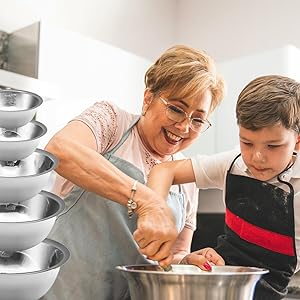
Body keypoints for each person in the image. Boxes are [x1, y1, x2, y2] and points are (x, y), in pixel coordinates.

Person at [42, 45, 226, 300]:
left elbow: (172, 256)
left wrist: (189, 261)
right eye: (176, 109)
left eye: (197, 119)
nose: (184, 126)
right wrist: (146, 201)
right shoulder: (112, 122)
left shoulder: (186, 177)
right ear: (148, 98)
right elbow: (60, 150)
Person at [147, 74, 300, 300]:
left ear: (297, 140)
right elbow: (164, 171)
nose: (257, 157)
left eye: (273, 146)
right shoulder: (232, 164)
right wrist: (154, 214)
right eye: (247, 143)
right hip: (224, 286)